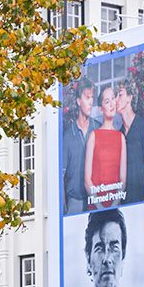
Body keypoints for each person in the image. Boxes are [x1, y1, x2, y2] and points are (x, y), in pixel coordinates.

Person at [83, 85, 126, 208]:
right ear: (101, 108)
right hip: (96, 207)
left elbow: (123, 180)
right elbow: (87, 180)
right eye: (107, 101)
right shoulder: (93, 136)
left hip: (115, 206)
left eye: (113, 98)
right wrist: (99, 206)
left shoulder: (121, 137)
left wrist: (113, 205)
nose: (111, 104)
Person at [61, 83, 94, 215]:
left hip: (96, 200)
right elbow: (61, 176)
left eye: (92, 97)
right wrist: (65, 209)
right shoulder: (68, 135)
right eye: (87, 97)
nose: (91, 102)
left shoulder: (98, 128)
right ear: (79, 101)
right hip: (75, 202)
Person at [121, 86, 144, 206]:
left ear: (130, 97)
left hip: (141, 201)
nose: (116, 99)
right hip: (124, 203)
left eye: (120, 95)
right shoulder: (119, 134)